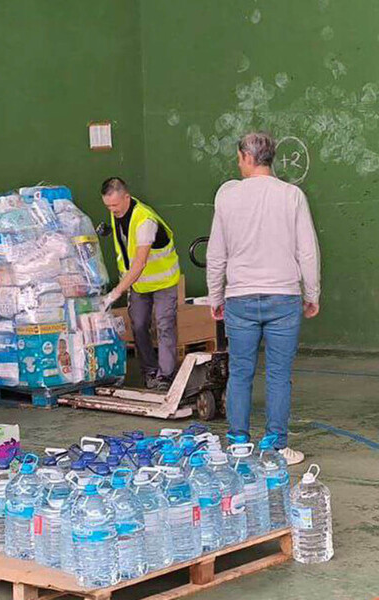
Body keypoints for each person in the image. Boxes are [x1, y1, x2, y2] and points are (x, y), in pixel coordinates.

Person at [206, 132, 321, 465]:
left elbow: (217, 254)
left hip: (240, 298)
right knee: (278, 374)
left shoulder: (227, 198)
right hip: (284, 297)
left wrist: (216, 295)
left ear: (246, 157)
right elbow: (307, 251)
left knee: (240, 372)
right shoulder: (292, 195)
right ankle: (276, 446)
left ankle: (238, 443)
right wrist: (311, 293)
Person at [101, 177, 181, 390]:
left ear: (126, 197)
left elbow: (140, 262)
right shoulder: (116, 212)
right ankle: (149, 371)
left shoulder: (145, 220)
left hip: (162, 280)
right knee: (138, 325)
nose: (112, 210)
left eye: (115, 205)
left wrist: (115, 293)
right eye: (108, 206)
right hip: (138, 284)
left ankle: (166, 376)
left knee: (165, 325)